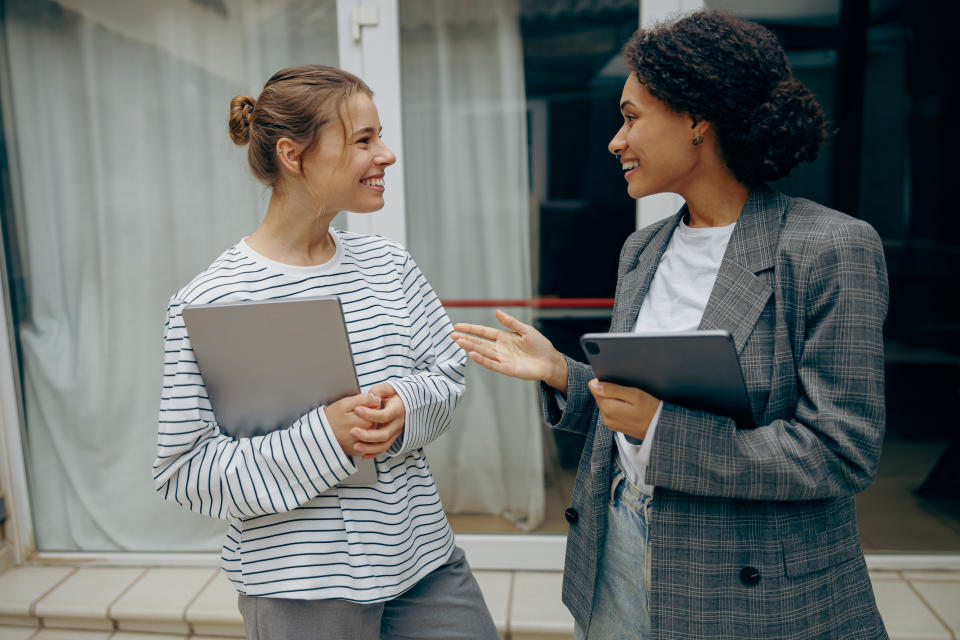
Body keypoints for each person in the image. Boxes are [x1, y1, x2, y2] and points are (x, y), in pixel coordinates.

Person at [452, 10, 888, 640]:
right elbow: (639, 406)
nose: (614, 140)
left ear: (696, 118)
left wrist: (664, 431)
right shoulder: (645, 249)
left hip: (750, 585)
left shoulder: (829, 247)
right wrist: (564, 376)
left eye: (631, 117)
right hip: (620, 552)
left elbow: (842, 451)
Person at [153, 65, 498, 640]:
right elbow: (186, 471)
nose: (385, 155)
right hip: (297, 589)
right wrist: (327, 437)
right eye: (364, 140)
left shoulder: (391, 265)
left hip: (424, 565)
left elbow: (447, 373)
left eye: (378, 136)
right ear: (293, 155)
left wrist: (403, 408)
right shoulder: (212, 300)